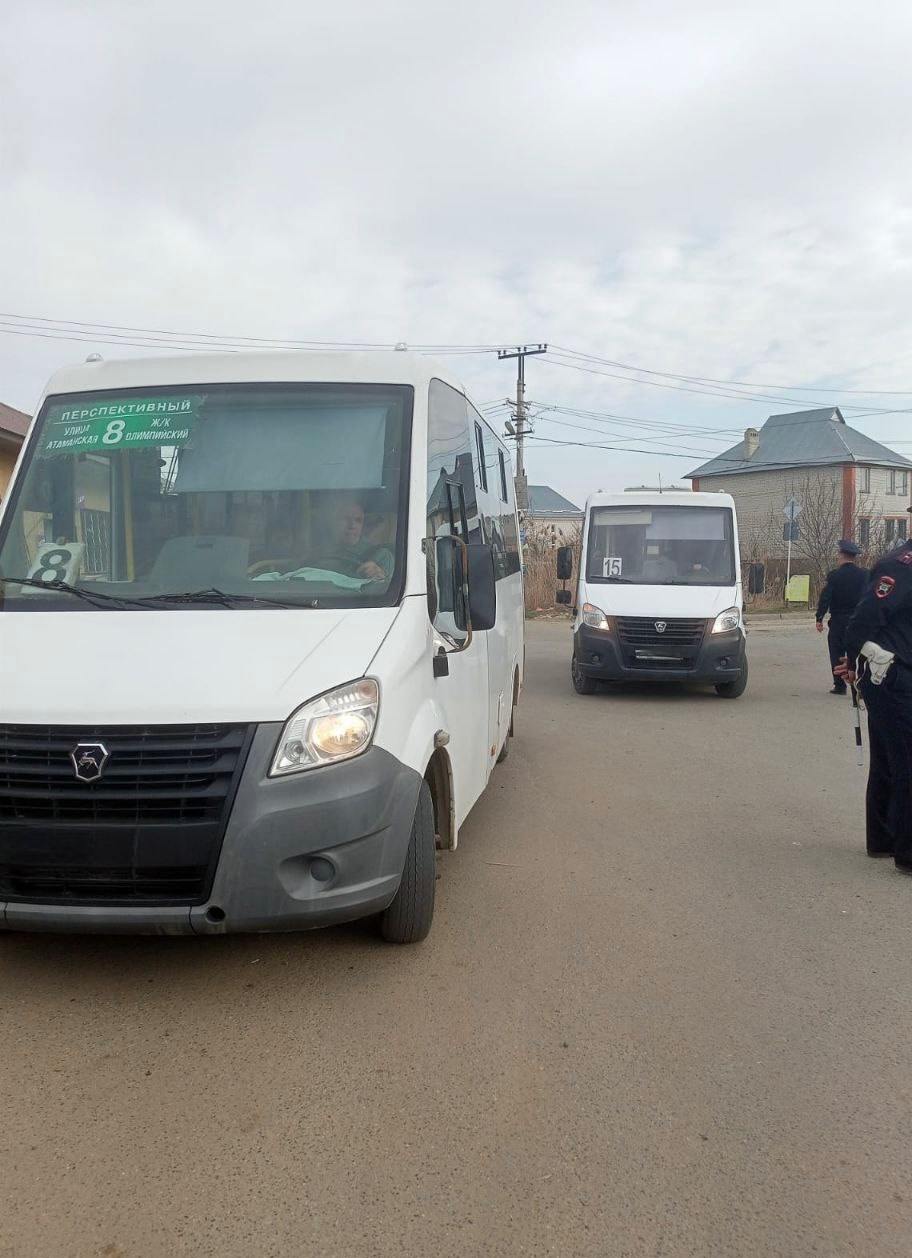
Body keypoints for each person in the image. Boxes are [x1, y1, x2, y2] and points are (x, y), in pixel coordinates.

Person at [835, 514, 912, 869]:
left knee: (888, 759)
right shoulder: (899, 567)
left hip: (897, 677)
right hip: (894, 677)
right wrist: (852, 661)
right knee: (905, 763)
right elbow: (864, 620)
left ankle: (882, 838)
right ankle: (907, 852)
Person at [815, 539, 868, 694]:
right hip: (859, 621)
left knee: (837, 652)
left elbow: (826, 597)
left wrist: (819, 618)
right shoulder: (865, 575)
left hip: (839, 621)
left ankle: (840, 685)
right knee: (860, 652)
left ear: (842, 555)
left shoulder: (834, 576)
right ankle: (861, 683)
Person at [311, 495, 393, 583]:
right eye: (345, 519)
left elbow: (387, 587)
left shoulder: (380, 554)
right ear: (333, 523)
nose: (352, 526)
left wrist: (379, 575)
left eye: (358, 520)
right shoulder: (315, 554)